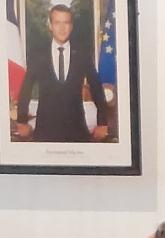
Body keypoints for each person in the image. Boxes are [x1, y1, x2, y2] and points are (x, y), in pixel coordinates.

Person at [14, 4, 109, 143]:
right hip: (45, 132)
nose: (62, 28)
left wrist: (102, 122)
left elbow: (96, 88)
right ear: (50, 26)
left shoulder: (82, 55)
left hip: (77, 132)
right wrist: (22, 121)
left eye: (66, 23)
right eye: (57, 23)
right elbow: (26, 89)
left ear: (71, 26)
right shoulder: (38, 56)